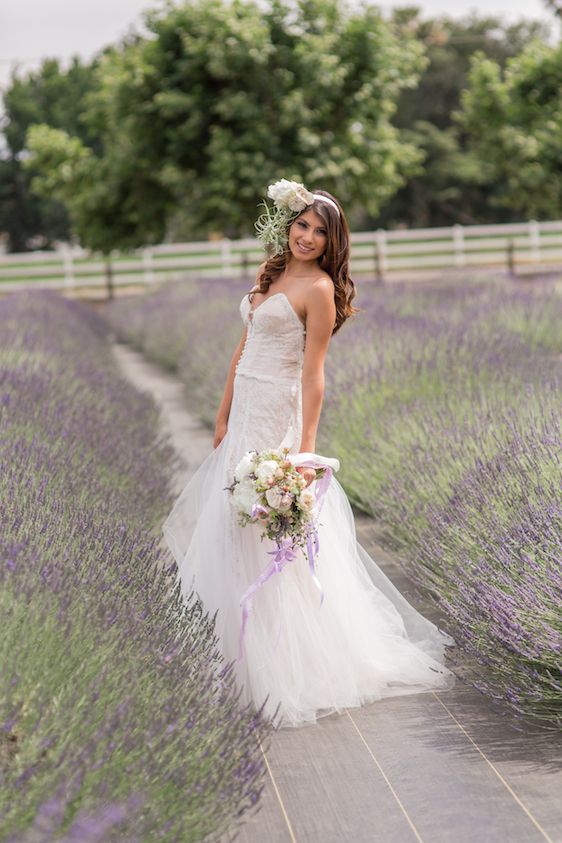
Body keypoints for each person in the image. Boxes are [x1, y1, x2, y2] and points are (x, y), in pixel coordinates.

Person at [162, 179, 456, 729]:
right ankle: (230, 654)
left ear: (332, 242)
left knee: (270, 534)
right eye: (302, 225)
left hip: (277, 415)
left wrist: (304, 454)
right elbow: (242, 348)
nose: (308, 237)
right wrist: (223, 414)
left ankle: (284, 661)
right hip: (245, 408)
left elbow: (315, 375)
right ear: (288, 226)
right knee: (230, 527)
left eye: (321, 232)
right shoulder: (271, 276)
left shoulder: (319, 290)